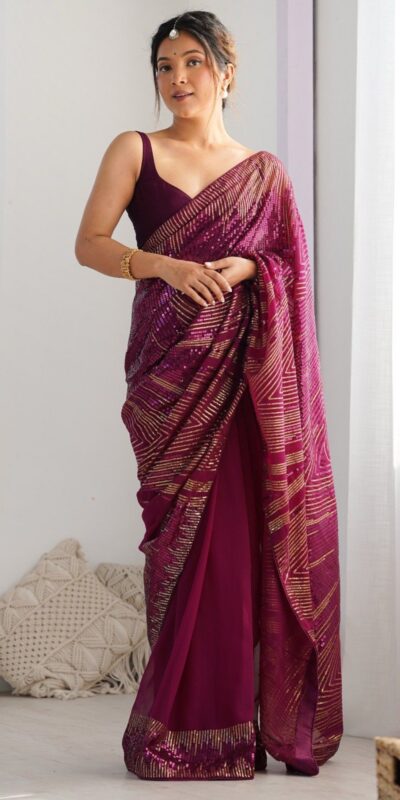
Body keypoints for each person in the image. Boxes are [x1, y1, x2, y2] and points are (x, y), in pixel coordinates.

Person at [74, 9, 343, 782]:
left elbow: (291, 266)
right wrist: (163, 266)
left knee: (234, 550)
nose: (178, 78)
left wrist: (252, 269)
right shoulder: (135, 149)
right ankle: (175, 731)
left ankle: (230, 734)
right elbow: (90, 243)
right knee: (180, 551)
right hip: (169, 380)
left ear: (227, 71)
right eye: (165, 66)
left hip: (245, 385)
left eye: (194, 61)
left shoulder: (264, 173)